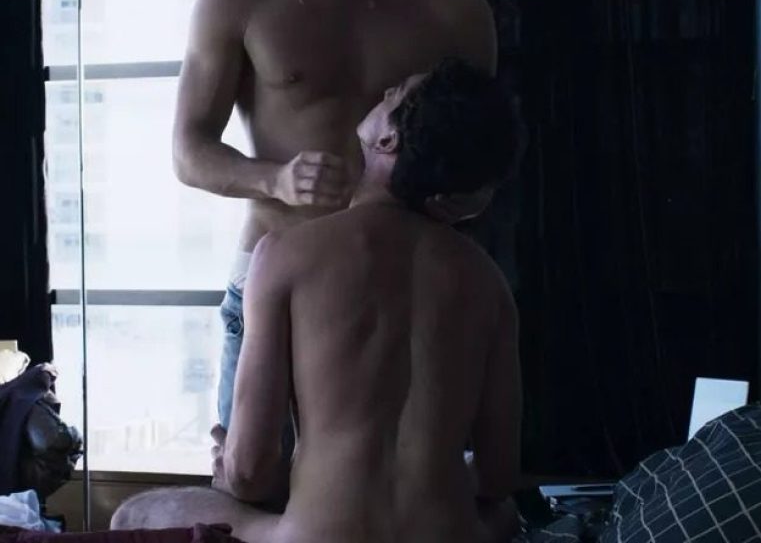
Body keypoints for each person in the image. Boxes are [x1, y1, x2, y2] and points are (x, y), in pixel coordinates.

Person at [170, 0, 499, 432]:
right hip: (272, 283)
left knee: (392, 484)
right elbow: (188, 152)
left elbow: (479, 170)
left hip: (402, 289)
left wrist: (461, 198)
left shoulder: (459, 17)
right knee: (250, 479)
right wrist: (274, 179)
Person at [111, 59, 523, 543]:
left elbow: (250, 473)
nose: (385, 91)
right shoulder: (487, 281)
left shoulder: (285, 254)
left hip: (319, 535)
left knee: (133, 516)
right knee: (503, 513)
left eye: (395, 93)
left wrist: (229, 464)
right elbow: (498, 477)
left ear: (388, 140)